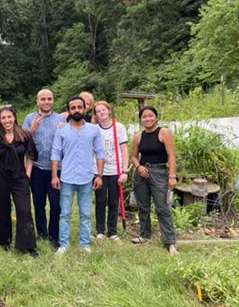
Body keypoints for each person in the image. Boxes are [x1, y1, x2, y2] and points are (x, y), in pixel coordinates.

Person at [51, 95, 104, 254]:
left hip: (86, 178)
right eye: (72, 108)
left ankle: (85, 243)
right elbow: (55, 154)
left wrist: (99, 175)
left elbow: (100, 153)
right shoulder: (61, 130)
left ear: (85, 108)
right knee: (65, 213)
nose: (76, 110)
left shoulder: (94, 130)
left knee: (85, 213)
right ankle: (63, 244)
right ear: (68, 110)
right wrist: (54, 175)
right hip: (66, 177)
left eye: (79, 107)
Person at [0, 104, 39, 258]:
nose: (7, 120)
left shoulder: (24, 135)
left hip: (20, 176)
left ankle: (28, 245)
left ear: (14, 117)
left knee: (24, 210)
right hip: (1, 176)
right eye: (3, 117)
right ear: (0, 120)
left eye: (9, 117)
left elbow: (31, 155)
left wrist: (28, 173)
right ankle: (3, 241)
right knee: (2, 208)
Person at [130, 106, 178, 254]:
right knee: (143, 207)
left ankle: (170, 242)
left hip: (159, 172)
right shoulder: (139, 136)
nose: (147, 119)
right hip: (142, 174)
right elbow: (133, 156)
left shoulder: (164, 133)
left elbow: (171, 156)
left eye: (150, 116)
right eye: (144, 117)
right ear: (140, 120)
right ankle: (144, 235)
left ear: (156, 117)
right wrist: (138, 167)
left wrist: (172, 176)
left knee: (162, 208)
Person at [22, 89, 64, 247]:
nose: (46, 102)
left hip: (56, 169)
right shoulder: (29, 118)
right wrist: (32, 129)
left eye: (49, 99)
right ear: (37, 101)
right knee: (38, 204)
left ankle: (54, 235)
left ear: (53, 100)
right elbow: (22, 142)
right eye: (43, 99)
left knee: (55, 205)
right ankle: (42, 234)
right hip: (37, 168)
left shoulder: (60, 118)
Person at [93, 101, 129, 242]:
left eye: (103, 110)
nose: (101, 113)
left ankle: (112, 231)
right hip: (99, 171)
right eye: (98, 111)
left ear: (109, 111)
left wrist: (125, 171)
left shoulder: (118, 127)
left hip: (116, 170)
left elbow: (124, 149)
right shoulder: (94, 129)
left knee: (114, 201)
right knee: (100, 200)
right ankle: (100, 230)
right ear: (95, 115)